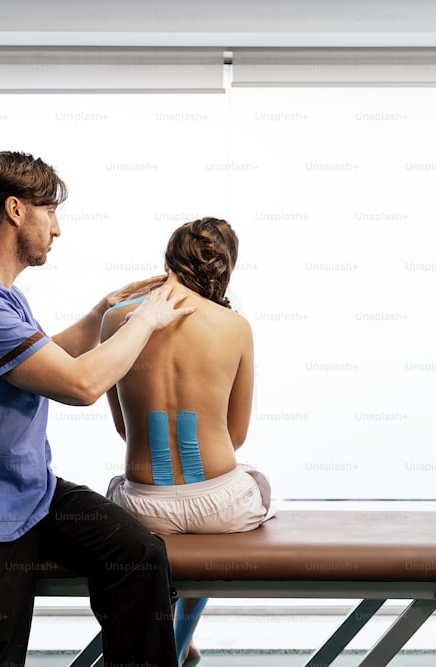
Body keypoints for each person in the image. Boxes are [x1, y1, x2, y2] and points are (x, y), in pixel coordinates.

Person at [0, 151, 194, 667]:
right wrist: (145, 321)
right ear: (15, 210)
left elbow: (43, 357)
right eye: (49, 210)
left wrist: (104, 312)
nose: (57, 229)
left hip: (27, 491)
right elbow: (80, 385)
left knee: (138, 557)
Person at [100, 217, 275, 665]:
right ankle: (178, 642)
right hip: (221, 506)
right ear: (224, 269)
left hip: (144, 509)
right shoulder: (235, 327)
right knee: (255, 480)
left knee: (119, 493)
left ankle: (170, 640)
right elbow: (235, 437)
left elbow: (124, 429)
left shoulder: (117, 320)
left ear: (166, 262)